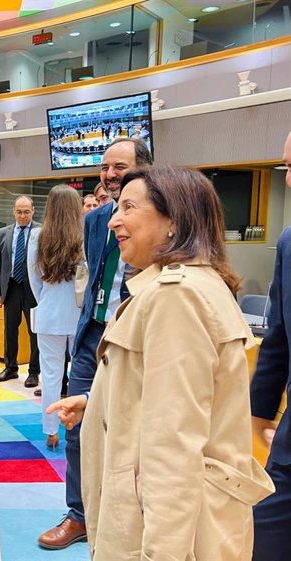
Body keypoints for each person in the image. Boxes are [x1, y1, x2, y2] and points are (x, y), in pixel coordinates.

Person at [48, 165, 274, 560]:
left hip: (166, 529)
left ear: (174, 221)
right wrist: (97, 401)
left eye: (129, 207)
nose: (113, 219)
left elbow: (175, 447)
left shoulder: (176, 297)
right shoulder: (188, 285)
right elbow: (172, 391)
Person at [38, 137, 152, 550]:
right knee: (76, 428)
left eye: (119, 166)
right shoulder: (95, 220)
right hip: (92, 338)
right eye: (105, 167)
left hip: (135, 342)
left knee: (131, 429)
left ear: (144, 169)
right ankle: (80, 515)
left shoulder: (161, 219)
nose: (109, 175)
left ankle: (128, 517)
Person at [251, 130, 291, 561]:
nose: (288, 180)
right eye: (286, 168)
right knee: (259, 542)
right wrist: (258, 414)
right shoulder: (288, 242)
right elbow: (277, 340)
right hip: (287, 451)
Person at [26, 185, 82, 451]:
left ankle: (51, 431)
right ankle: (78, 425)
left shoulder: (37, 235)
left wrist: (47, 300)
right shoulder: (83, 235)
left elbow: (33, 279)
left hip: (48, 315)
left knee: (50, 376)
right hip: (79, 314)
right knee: (81, 374)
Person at [0, 195, 41, 388]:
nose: (22, 216)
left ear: (33, 211)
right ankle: (10, 368)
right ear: (13, 211)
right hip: (10, 288)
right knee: (10, 330)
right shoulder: (3, 233)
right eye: (19, 212)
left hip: (33, 289)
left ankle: (34, 372)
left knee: (34, 332)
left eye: (26, 212)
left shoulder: (41, 231)